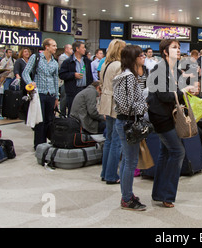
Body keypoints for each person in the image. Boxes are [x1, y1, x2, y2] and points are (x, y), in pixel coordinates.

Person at [147, 39, 197, 207]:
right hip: (160, 117)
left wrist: (187, 89)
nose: (178, 50)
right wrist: (183, 91)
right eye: (174, 47)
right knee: (177, 152)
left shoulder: (174, 70)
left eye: (179, 47)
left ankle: (159, 193)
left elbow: (175, 93)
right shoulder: (159, 69)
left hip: (170, 116)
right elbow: (165, 95)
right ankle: (167, 195)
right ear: (165, 52)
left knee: (166, 153)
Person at [113, 45, 148, 211]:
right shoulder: (128, 78)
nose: (143, 57)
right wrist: (143, 106)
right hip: (127, 122)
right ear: (133, 58)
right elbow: (126, 105)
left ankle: (127, 194)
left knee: (128, 160)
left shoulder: (128, 76)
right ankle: (126, 198)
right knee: (130, 162)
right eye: (140, 55)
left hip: (125, 121)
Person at [22, 38, 59, 149]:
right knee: (39, 120)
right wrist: (30, 83)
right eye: (53, 45)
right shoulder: (36, 57)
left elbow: (55, 79)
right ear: (46, 47)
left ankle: (49, 143)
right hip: (39, 94)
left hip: (51, 93)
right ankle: (38, 145)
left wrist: (56, 96)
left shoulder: (54, 62)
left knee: (49, 120)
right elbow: (25, 73)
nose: (55, 48)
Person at [98, 39, 126, 185]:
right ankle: (111, 175)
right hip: (116, 103)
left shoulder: (105, 64)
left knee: (109, 140)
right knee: (117, 141)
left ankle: (105, 172)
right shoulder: (120, 66)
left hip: (106, 101)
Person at [59, 41, 93, 115]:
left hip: (85, 90)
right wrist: (73, 75)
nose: (84, 49)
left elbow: (90, 76)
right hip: (73, 91)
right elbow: (62, 75)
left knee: (84, 112)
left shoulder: (87, 61)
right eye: (83, 48)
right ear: (77, 49)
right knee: (73, 112)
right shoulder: (68, 62)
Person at [58, 44, 73, 117]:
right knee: (64, 97)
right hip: (63, 81)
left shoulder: (71, 58)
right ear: (66, 49)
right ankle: (62, 113)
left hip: (70, 81)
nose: (72, 50)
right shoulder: (62, 57)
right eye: (70, 49)